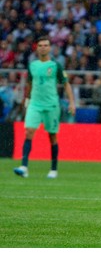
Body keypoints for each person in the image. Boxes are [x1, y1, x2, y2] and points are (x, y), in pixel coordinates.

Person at [13, 36, 76, 179]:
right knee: (29, 131)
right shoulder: (32, 65)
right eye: (40, 45)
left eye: (45, 45)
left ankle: (53, 169)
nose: (43, 47)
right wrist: (26, 100)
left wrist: (72, 103)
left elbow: (66, 83)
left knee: (52, 136)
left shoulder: (55, 66)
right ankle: (24, 167)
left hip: (51, 105)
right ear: (37, 48)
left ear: (49, 48)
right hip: (35, 104)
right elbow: (29, 83)